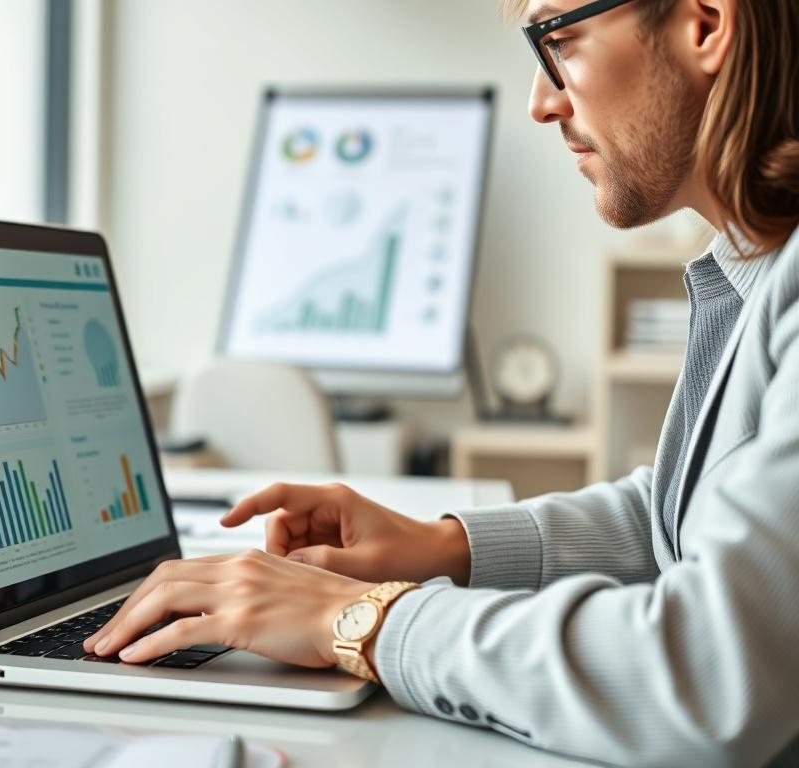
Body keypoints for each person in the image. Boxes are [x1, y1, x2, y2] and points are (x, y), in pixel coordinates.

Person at [84, 0, 799, 763]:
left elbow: (704, 675)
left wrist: (362, 619)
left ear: (705, 25)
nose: (540, 100)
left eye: (558, 40)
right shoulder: (757, 268)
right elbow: (678, 523)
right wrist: (443, 546)